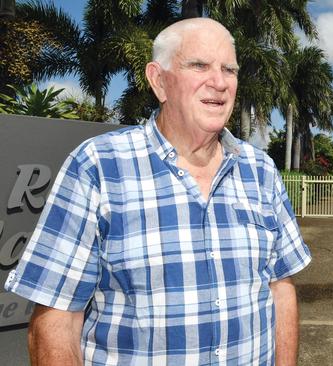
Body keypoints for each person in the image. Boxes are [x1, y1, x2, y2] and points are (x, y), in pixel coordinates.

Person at [5, 17, 311, 365]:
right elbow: (56, 319)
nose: (219, 82)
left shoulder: (260, 170)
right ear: (158, 80)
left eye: (229, 69)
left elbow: (280, 290)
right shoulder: (99, 166)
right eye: (199, 65)